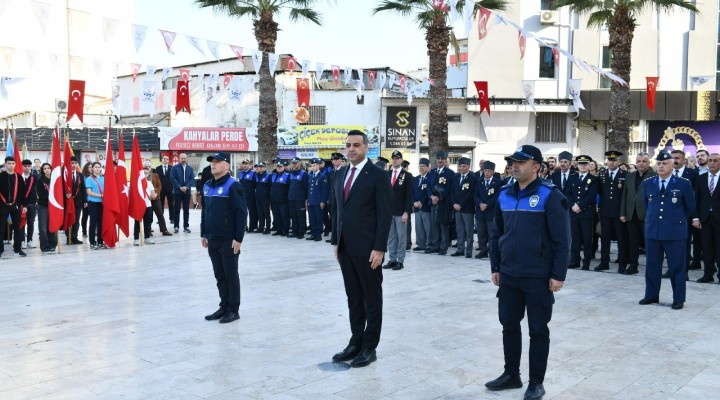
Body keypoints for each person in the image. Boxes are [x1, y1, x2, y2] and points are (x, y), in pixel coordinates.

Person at [486, 145, 570, 400]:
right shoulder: (504, 194)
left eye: (521, 162)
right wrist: (496, 267)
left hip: (537, 276)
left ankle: (536, 382)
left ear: (537, 167)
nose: (514, 165)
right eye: (512, 161)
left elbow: (562, 240)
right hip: (509, 275)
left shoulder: (550, 195)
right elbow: (496, 234)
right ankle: (511, 374)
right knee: (509, 326)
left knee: (537, 329)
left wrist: (558, 275)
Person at [330, 130, 392, 368]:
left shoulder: (377, 175)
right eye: (348, 145)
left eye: (356, 145)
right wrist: (335, 241)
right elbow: (337, 210)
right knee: (353, 297)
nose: (351, 149)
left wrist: (379, 248)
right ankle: (355, 341)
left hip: (368, 250)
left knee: (371, 298)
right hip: (346, 247)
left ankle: (369, 346)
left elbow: (384, 214)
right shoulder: (340, 173)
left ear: (366, 147)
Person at [640, 150, 696, 310]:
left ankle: (678, 299)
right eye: (658, 163)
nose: (661, 166)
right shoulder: (648, 183)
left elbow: (690, 207)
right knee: (652, 266)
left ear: (673, 165)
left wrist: (674, 220)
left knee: (677, 267)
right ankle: (651, 295)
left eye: (664, 163)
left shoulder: (683, 184)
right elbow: (646, 204)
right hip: (653, 232)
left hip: (675, 233)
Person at [201, 152, 248, 324]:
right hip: (212, 238)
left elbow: (241, 212)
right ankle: (224, 306)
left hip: (228, 240)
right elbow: (205, 211)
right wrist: (203, 233)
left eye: (217, 162)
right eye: (212, 162)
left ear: (227, 166)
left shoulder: (233, 186)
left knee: (230, 274)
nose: (213, 165)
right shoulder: (207, 185)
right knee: (219, 275)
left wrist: (238, 238)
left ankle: (233, 309)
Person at [620, 152, 656, 275]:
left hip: (647, 216)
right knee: (633, 242)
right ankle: (633, 266)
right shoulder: (630, 176)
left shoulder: (654, 176)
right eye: (639, 161)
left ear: (649, 163)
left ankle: (652, 268)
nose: (641, 163)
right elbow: (625, 195)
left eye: (644, 161)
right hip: (631, 214)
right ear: (636, 163)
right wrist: (623, 213)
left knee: (649, 244)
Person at [596, 151, 628, 273]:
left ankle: (622, 264)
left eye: (614, 160)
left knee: (621, 239)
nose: (611, 162)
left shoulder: (624, 174)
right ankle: (604, 262)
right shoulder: (602, 174)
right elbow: (600, 192)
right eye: (609, 160)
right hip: (605, 212)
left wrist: (623, 212)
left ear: (619, 162)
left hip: (619, 213)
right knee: (605, 239)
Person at [670, 149, 700, 275]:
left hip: (685, 215)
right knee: (671, 244)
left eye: (677, 158)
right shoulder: (666, 173)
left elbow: (695, 197)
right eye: (673, 158)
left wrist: (694, 217)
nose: (675, 161)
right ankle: (672, 269)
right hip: (669, 215)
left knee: (685, 245)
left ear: (683, 160)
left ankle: (684, 271)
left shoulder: (692, 174)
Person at [568, 156, 600, 270]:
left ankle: (586, 262)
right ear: (577, 165)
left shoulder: (594, 179)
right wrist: (573, 205)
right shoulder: (572, 177)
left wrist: (580, 206)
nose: (583, 166)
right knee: (575, 238)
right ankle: (574, 260)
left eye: (585, 164)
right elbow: (568, 194)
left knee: (587, 238)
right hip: (573, 212)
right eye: (581, 164)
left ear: (588, 165)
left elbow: (591, 196)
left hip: (586, 212)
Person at [382, 150, 413, 270]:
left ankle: (400, 260)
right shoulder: (386, 174)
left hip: (401, 212)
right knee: (391, 238)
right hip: (389, 211)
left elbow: (409, 196)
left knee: (401, 237)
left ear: (401, 160)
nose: (395, 160)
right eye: (393, 158)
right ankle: (392, 259)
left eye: (397, 158)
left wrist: (406, 212)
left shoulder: (407, 176)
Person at [693, 153, 720, 283]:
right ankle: (708, 274)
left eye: (715, 161)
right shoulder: (700, 178)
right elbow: (696, 200)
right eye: (710, 161)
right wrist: (695, 218)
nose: (712, 163)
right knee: (707, 248)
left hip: (719, 219)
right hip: (704, 219)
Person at [426, 151, 454, 255]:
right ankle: (435, 245)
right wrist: (432, 196)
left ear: (445, 160)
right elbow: (428, 186)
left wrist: (439, 197)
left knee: (443, 225)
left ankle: (443, 247)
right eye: (438, 159)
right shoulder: (432, 172)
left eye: (442, 159)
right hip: (433, 202)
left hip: (443, 202)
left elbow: (449, 188)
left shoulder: (450, 173)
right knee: (434, 225)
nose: (440, 160)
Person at [0, 156, 28, 257]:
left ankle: (17, 249)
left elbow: (23, 192)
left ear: (15, 165)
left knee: (18, 228)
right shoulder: (1, 176)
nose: (11, 165)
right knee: (1, 228)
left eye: (13, 163)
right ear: (5, 164)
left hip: (15, 205)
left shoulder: (19, 177)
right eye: (9, 163)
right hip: (2, 206)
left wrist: (24, 205)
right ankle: (0, 249)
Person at [474, 160, 502, 259]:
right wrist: (480, 204)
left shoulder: (498, 182)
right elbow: (475, 195)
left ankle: (492, 251)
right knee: (481, 233)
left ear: (493, 171)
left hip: (491, 211)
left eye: (489, 171)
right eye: (485, 170)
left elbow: (497, 196)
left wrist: (487, 204)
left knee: (491, 233)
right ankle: (483, 251)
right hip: (480, 211)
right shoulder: (479, 181)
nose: (487, 172)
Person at [450, 157, 475, 258]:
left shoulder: (472, 178)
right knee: (459, 230)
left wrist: (461, 204)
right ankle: (460, 249)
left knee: (469, 231)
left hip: (467, 209)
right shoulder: (455, 177)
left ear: (468, 167)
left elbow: (470, 193)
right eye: (460, 166)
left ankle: (468, 251)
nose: (462, 168)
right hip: (456, 208)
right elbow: (451, 192)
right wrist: (454, 204)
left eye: (464, 166)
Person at [35, 163, 57, 254]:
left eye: (48, 168)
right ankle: (44, 246)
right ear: (42, 170)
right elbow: (40, 194)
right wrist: (51, 196)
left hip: (53, 206)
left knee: (52, 226)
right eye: (45, 168)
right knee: (43, 227)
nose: (47, 170)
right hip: (43, 206)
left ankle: (53, 244)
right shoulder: (40, 180)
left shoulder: (55, 179)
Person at [145, 163, 172, 237]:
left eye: (149, 166)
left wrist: (156, 194)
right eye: (146, 167)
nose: (148, 168)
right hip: (146, 198)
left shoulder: (155, 175)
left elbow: (159, 186)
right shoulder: (142, 176)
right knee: (148, 215)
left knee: (160, 213)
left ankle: (164, 230)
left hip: (156, 198)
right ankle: (148, 230)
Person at [170, 153, 195, 233]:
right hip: (178, 191)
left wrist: (186, 187)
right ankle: (176, 226)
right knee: (176, 209)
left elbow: (192, 179)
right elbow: (172, 178)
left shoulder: (190, 168)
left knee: (186, 210)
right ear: (179, 158)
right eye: (182, 158)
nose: (183, 160)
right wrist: (180, 187)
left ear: (186, 159)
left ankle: (186, 226)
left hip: (187, 192)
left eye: (185, 158)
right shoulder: (174, 168)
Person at [133, 163, 155, 246]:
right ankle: (136, 239)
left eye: (147, 173)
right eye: (144, 173)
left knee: (148, 222)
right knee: (137, 222)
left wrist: (154, 195)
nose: (145, 175)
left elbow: (153, 194)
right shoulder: (136, 183)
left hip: (148, 205)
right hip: (139, 205)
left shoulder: (149, 183)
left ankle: (147, 237)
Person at [65, 157, 86, 245]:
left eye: (75, 163)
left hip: (78, 201)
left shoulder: (80, 175)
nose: (73, 165)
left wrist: (85, 200)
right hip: (67, 200)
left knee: (76, 220)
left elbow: (83, 188)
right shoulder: (64, 174)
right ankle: (68, 237)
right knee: (68, 219)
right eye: (71, 163)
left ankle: (74, 237)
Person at [412, 158, 431, 252]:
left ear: (428, 167)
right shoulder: (416, 179)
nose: (421, 168)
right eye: (420, 166)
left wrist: (421, 202)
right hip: (417, 207)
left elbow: (428, 193)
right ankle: (420, 244)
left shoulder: (430, 178)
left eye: (423, 166)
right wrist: (414, 202)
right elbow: (412, 193)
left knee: (428, 227)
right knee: (418, 227)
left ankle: (428, 245)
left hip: (426, 207)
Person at [307, 158, 327, 242]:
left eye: (314, 165)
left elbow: (324, 190)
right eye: (311, 166)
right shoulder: (310, 176)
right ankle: (313, 234)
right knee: (312, 218)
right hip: (311, 201)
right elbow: (309, 189)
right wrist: (308, 200)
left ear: (318, 166)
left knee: (319, 218)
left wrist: (323, 201)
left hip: (318, 202)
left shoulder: (322, 176)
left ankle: (318, 235)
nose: (313, 167)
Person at [85, 162, 105, 250]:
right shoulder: (89, 179)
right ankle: (92, 242)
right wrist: (101, 195)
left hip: (102, 204)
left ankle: (100, 241)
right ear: (92, 169)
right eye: (95, 167)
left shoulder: (104, 178)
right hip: (93, 203)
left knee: (101, 223)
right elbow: (89, 192)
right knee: (93, 223)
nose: (97, 168)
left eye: (99, 167)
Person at [288, 158, 308, 239]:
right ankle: (294, 231)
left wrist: (306, 199)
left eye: (296, 163)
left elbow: (306, 187)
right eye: (293, 163)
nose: (294, 164)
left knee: (301, 216)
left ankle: (301, 232)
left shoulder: (304, 174)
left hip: (300, 199)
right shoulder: (290, 173)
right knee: (293, 215)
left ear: (299, 163)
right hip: (291, 198)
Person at [270, 160, 291, 237]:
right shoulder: (273, 174)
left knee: (284, 216)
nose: (279, 168)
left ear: (283, 167)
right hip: (274, 200)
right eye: (277, 166)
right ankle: (279, 230)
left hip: (283, 200)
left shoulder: (287, 175)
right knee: (277, 216)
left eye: (280, 166)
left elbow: (289, 187)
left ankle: (286, 230)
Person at [20, 160, 37, 249]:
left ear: (31, 167)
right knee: (22, 223)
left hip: (32, 204)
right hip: (22, 205)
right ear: (22, 166)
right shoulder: (19, 177)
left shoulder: (34, 177)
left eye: (28, 166)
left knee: (31, 223)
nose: (27, 167)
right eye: (25, 166)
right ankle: (22, 240)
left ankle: (30, 240)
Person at [238, 160, 258, 232]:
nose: (245, 165)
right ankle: (244, 226)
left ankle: (252, 226)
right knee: (243, 212)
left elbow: (255, 184)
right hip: (242, 196)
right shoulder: (240, 173)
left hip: (251, 196)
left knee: (252, 212)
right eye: (243, 164)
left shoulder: (253, 174)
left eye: (246, 164)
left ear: (249, 165)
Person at [155, 155, 174, 225]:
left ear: (168, 160)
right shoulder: (158, 168)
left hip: (170, 189)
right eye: (164, 159)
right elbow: (156, 179)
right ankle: (160, 219)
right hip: (161, 189)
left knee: (171, 204)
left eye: (167, 159)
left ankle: (172, 218)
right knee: (160, 204)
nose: (165, 160)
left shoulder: (172, 168)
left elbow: (173, 178)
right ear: (162, 160)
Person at [254, 162, 272, 234]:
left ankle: (267, 228)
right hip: (258, 198)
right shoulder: (256, 175)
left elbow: (271, 187)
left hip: (266, 198)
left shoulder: (268, 176)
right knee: (260, 213)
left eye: (262, 166)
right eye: (259, 166)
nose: (260, 168)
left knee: (266, 213)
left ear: (265, 167)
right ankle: (261, 227)